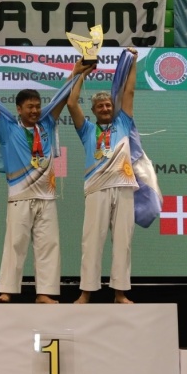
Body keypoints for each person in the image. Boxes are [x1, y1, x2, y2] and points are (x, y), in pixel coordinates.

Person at [0, 70, 81, 303]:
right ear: (19, 109)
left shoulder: (46, 124)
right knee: (15, 245)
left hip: (47, 198)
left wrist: (78, 72)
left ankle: (44, 294)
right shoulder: (7, 128)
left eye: (37, 106)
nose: (35, 111)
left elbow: (62, 96)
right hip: (19, 197)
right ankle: (7, 291)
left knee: (48, 246)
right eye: (30, 107)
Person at [67, 48, 138, 304]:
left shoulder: (123, 123)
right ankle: (86, 292)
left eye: (108, 105)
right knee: (92, 242)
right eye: (100, 106)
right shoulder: (86, 129)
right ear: (94, 111)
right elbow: (71, 103)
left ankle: (120, 293)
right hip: (96, 188)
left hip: (123, 186)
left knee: (123, 242)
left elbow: (129, 92)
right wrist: (81, 74)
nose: (106, 108)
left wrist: (133, 62)